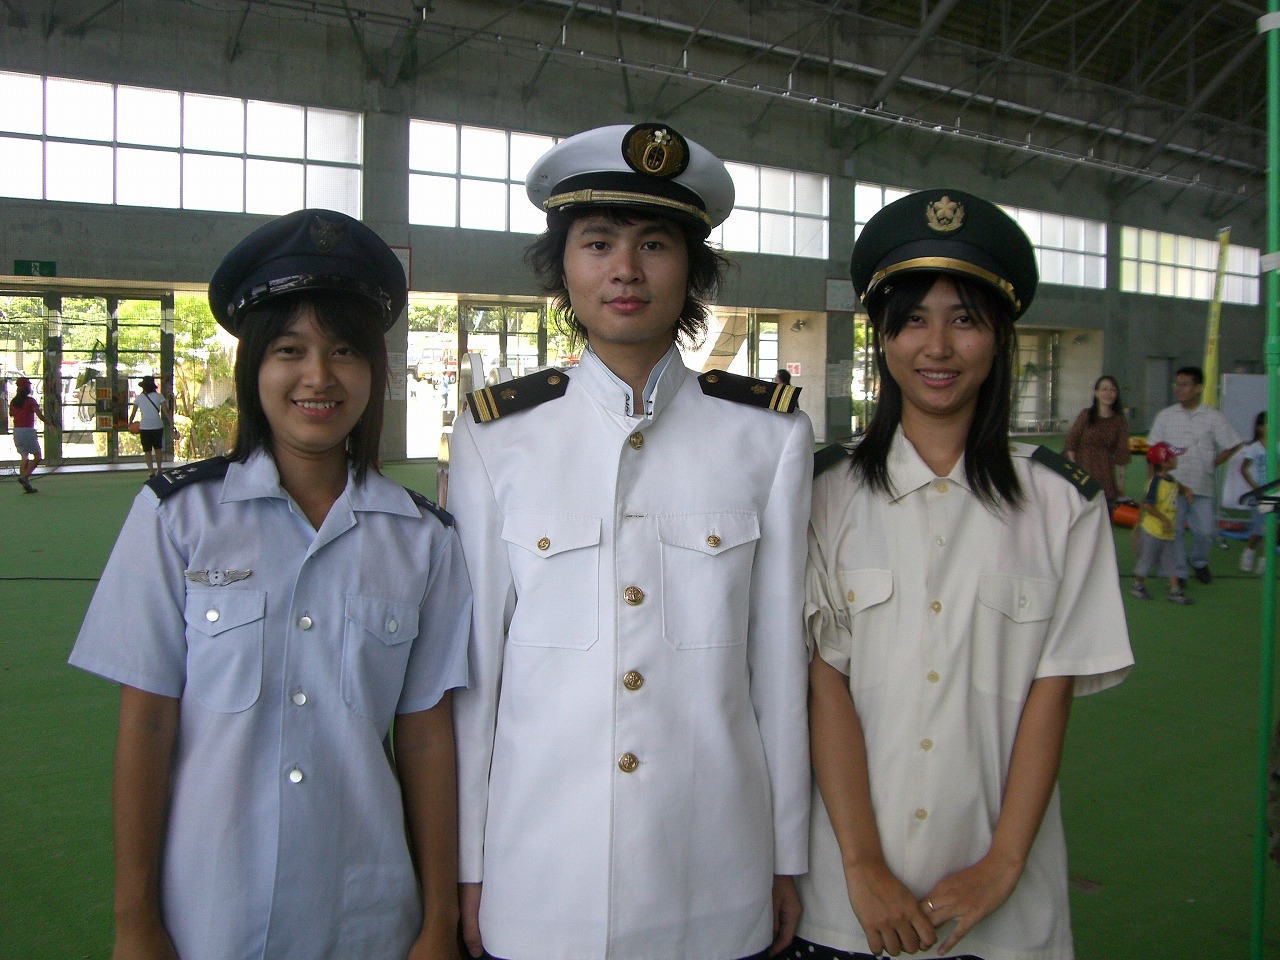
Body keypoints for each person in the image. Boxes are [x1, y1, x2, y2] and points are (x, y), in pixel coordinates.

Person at [448, 123, 814, 960]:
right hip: (541, 872)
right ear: (564, 267)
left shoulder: (767, 437)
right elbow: (478, 675)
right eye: (598, 243)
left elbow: (778, 666)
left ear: (690, 269)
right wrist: (470, 865)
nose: (625, 269)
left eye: (654, 244)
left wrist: (784, 854)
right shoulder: (496, 436)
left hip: (712, 868)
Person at [68, 209, 471, 960]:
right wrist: (134, 921)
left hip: (366, 911)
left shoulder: (422, 540)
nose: (319, 377)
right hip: (210, 911)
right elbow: (146, 724)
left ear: (374, 371)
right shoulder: (178, 519)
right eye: (290, 350)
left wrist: (437, 921)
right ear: (255, 366)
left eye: (345, 350)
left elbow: (425, 737)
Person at [794, 188, 1134, 960]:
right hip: (848, 905)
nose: (937, 347)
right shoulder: (825, 493)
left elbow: (1051, 692)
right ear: (883, 338)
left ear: (1001, 337)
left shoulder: (1062, 505)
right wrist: (862, 867)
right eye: (913, 320)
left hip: (1004, 912)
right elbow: (824, 683)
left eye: (966, 319)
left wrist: (1001, 866)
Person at [1147, 365, 1243, 584]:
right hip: (1171, 486)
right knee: (1175, 531)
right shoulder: (1165, 416)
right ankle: (1179, 572)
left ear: (1198, 388)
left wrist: (1213, 463)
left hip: (1201, 485)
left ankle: (1198, 561)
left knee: (1205, 532)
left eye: (1185, 384)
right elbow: (1152, 451)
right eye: (1177, 384)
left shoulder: (1213, 417)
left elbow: (1233, 443)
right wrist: (1151, 482)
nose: (1179, 389)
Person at [1131, 442, 1193, 603]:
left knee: (1171, 562)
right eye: (1173, 457)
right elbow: (1147, 505)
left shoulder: (1171, 480)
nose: (1176, 459)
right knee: (1146, 560)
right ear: (1164, 462)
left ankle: (1175, 590)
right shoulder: (1155, 482)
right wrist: (1164, 519)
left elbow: (1178, 487)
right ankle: (1137, 584)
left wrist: (1186, 491)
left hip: (1166, 532)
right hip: (1152, 531)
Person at [1063, 374, 1130, 503]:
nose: (1109, 393)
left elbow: (1122, 452)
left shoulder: (1119, 421)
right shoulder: (1086, 415)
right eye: (1104, 389)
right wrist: (1075, 473)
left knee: (1104, 507)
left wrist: (1122, 483)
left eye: (1113, 390)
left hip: (1105, 473)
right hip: (1083, 470)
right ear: (1096, 393)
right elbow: (1071, 443)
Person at [1238, 411, 1267, 573]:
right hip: (1259, 495)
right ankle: (1249, 552)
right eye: (1266, 424)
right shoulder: (1255, 448)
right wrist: (1254, 487)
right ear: (1259, 428)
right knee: (1261, 529)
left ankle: (1264, 561)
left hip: (1274, 494)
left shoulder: (1277, 446)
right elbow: (1243, 469)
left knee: (1273, 529)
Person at [9, 375, 46, 493]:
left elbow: (11, 414)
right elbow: (39, 415)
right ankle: (24, 477)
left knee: (24, 457)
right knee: (37, 456)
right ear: (27, 388)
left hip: (17, 432)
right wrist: (50, 424)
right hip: (27, 431)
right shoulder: (30, 401)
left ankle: (25, 484)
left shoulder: (13, 402)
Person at [129, 375, 169, 477]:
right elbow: (166, 412)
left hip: (145, 427)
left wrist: (130, 423)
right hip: (157, 426)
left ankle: (151, 472)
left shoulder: (139, 398)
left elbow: (133, 413)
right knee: (158, 449)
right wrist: (172, 423)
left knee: (147, 451)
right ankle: (159, 469)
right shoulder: (159, 396)